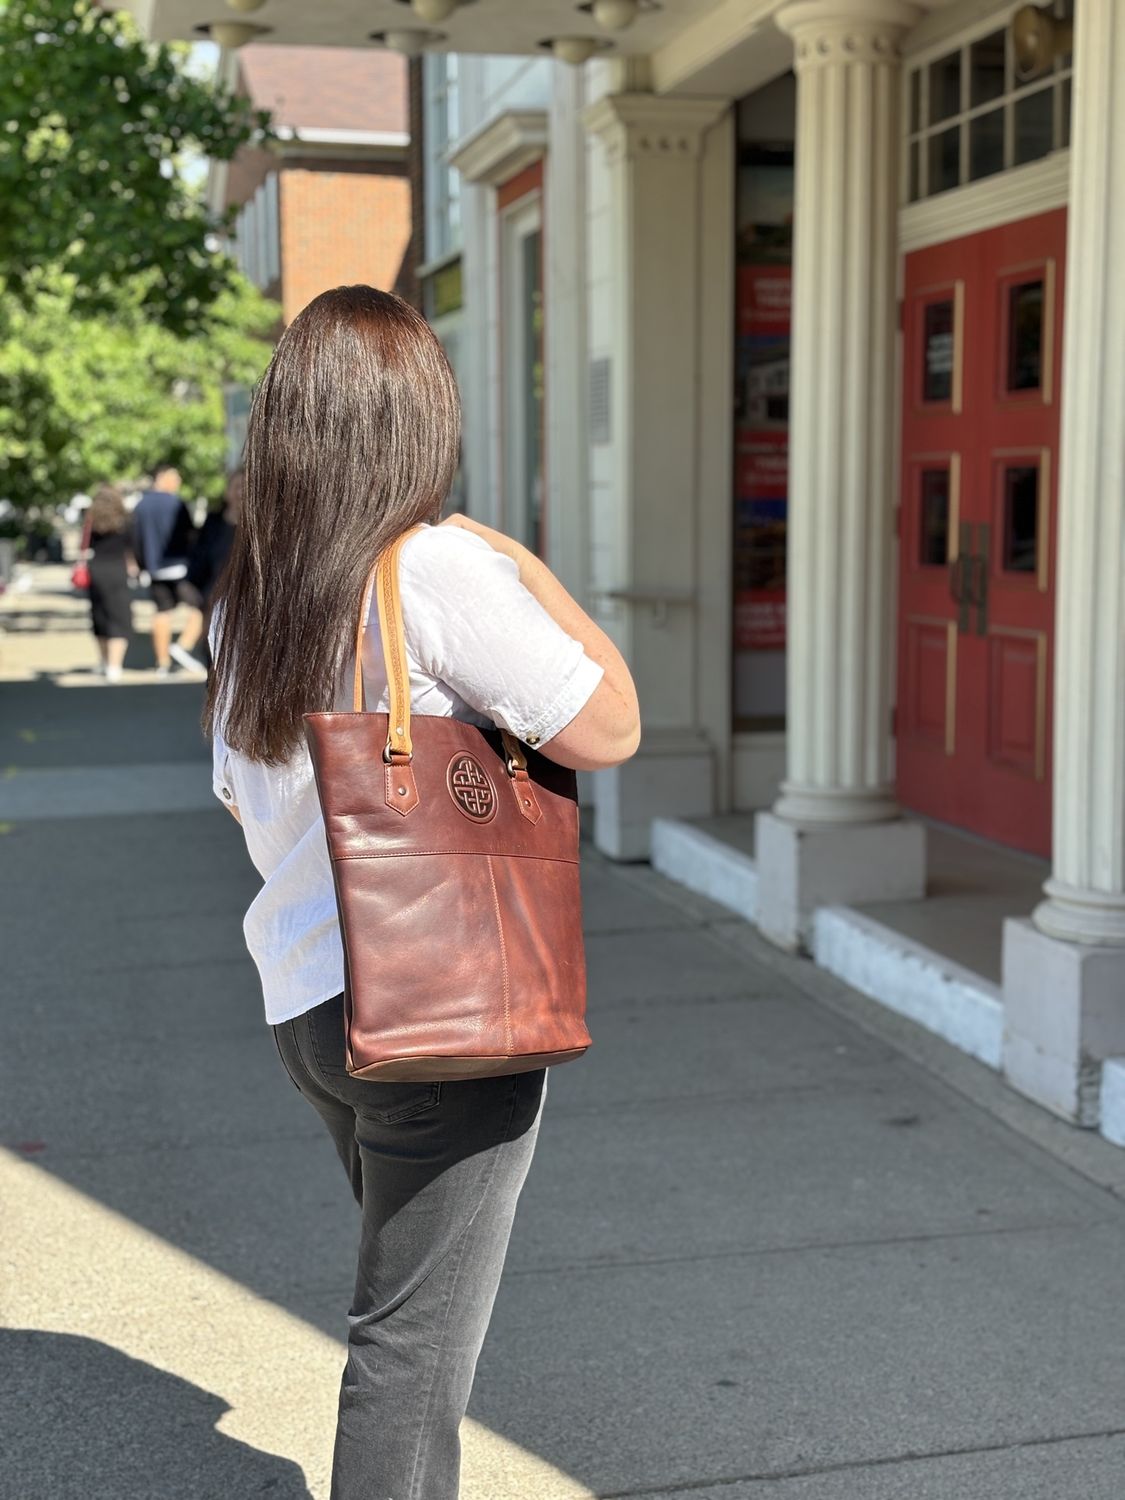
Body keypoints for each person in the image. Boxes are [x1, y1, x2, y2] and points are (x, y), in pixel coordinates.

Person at [204, 285, 640, 1500]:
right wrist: (528, 568)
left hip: (311, 1007)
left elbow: (247, 804)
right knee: (409, 1354)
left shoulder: (252, 597)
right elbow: (612, 724)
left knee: (407, 1320)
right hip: (443, 1020)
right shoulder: (435, 568)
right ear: (417, 423)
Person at [131, 463, 206, 677]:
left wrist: (142, 564)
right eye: (175, 477)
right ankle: (182, 645)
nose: (178, 482)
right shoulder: (176, 504)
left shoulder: (141, 505)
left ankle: (162, 663)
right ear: (162, 478)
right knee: (200, 606)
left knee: (161, 612)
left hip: (154, 568)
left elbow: (135, 539)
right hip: (179, 566)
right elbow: (191, 536)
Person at [84, 484, 136, 682]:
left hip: (96, 569)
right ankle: (115, 666)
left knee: (99, 616)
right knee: (119, 617)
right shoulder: (126, 520)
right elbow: (132, 546)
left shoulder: (92, 520)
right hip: (117, 570)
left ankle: (105, 661)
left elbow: (85, 545)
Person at [187, 466, 242, 611]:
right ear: (227, 491)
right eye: (236, 486)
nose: (240, 492)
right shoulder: (213, 522)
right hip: (209, 597)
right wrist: (189, 584)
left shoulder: (259, 529)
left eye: (246, 487)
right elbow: (199, 554)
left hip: (240, 602)